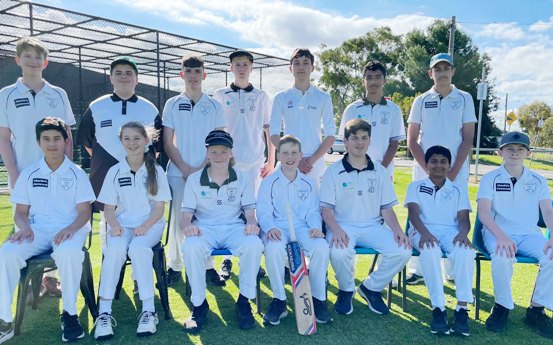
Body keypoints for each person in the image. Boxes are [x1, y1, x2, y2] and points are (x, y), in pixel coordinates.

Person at [0, 117, 95, 344]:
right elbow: (21, 212)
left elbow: (84, 212)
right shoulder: (30, 174)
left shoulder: (77, 173)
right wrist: (23, 228)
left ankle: (70, 315)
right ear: (38, 142)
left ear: (65, 141)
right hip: (37, 229)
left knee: (69, 252)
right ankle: (4, 320)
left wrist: (70, 229)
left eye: (56, 139)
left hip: (71, 228)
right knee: (7, 252)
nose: (51, 144)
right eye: (46, 139)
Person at [0, 36, 76, 297]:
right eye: (27, 56)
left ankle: (50, 281)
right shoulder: (6, 95)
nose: (33, 61)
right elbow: (3, 138)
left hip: (57, 175)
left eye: (38, 57)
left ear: (45, 62)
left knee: (58, 222)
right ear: (18, 60)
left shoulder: (58, 93)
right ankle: (28, 285)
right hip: (23, 176)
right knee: (26, 228)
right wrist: (13, 172)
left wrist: (68, 167)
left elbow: (67, 134)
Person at [320, 118, 411, 316]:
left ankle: (371, 288)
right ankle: (346, 290)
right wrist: (335, 229)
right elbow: (326, 209)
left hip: (372, 226)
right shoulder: (333, 171)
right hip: (343, 225)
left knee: (403, 250)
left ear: (369, 140)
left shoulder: (379, 170)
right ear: (345, 141)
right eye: (354, 138)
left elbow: (386, 208)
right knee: (339, 252)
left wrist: (397, 231)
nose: (359, 143)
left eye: (364, 138)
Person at [93, 121, 171, 340]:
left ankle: (148, 311)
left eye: (137, 138)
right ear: (121, 142)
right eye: (126, 138)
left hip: (150, 225)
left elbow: (159, 209)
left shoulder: (156, 171)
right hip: (122, 225)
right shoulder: (115, 171)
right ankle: (104, 314)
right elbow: (108, 209)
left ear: (146, 141)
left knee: (138, 250)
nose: (132, 143)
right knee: (115, 250)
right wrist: (115, 225)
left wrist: (144, 226)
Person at [181, 130, 263, 332]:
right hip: (204, 229)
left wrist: (251, 223)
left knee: (254, 243)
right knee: (191, 246)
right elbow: (185, 217)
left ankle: (244, 302)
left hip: (233, 227)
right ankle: (199, 306)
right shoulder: (194, 179)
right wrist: (188, 227)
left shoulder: (242, 177)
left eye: (223, 151)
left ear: (231, 153)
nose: (219, 156)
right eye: (214, 151)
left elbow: (249, 212)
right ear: (207, 153)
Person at [406, 53, 476, 284]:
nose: (442, 72)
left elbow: (467, 139)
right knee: (420, 214)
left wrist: (453, 170)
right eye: (437, 69)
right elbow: (412, 140)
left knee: (454, 216)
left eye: (446, 68)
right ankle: (417, 269)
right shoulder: (421, 100)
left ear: (453, 72)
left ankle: (454, 271)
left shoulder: (464, 98)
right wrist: (428, 170)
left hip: (455, 170)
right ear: (430, 73)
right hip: (425, 170)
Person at [477, 131, 553, 338]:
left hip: (529, 234)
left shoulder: (538, 180)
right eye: (509, 149)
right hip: (497, 232)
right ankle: (502, 306)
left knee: (551, 256)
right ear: (500, 151)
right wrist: (502, 237)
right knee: (503, 256)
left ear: (528, 153)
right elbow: (483, 213)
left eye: (520, 149)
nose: (515, 153)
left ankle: (537, 310)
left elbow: (547, 211)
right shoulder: (490, 178)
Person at [162, 55, 227, 287]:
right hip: (178, 173)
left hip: (207, 174)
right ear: (181, 74)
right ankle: (175, 266)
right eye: (188, 72)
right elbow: (168, 142)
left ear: (204, 74)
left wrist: (201, 169)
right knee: (179, 222)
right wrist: (185, 168)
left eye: (197, 71)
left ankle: (208, 266)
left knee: (206, 220)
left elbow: (219, 142)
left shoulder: (215, 106)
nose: (192, 76)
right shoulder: (172, 104)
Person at [213, 49, 275, 280]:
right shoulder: (220, 94)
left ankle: (254, 261)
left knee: (254, 213)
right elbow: (217, 130)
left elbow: (268, 129)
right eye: (237, 64)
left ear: (251, 68)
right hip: (228, 165)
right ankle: (227, 261)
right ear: (231, 67)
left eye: (245, 64)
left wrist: (271, 160)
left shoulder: (261, 96)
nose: (241, 67)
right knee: (229, 212)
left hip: (255, 164)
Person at [257, 135, 332, 326]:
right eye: (285, 153)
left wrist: (315, 227)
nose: (289, 156)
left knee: (321, 247)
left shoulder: (308, 183)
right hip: (277, 228)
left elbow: (313, 211)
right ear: (279, 156)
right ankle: (279, 300)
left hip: (302, 228)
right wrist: (270, 228)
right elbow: (264, 212)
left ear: (300, 155)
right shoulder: (269, 182)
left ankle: (317, 298)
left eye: (293, 152)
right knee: (273, 249)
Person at [405, 145, 474, 336]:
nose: (438, 165)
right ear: (426, 165)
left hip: (451, 231)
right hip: (422, 229)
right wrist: (425, 233)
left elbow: (463, 219)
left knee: (465, 252)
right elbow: (414, 214)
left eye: (443, 161)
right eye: (433, 161)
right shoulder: (415, 187)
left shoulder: (459, 189)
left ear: (449, 165)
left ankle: (462, 309)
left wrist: (463, 234)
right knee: (430, 250)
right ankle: (439, 308)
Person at [269, 48, 335, 185]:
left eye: (305, 62)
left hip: (314, 164)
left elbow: (330, 136)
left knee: (316, 205)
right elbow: (273, 133)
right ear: (290, 68)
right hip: (289, 162)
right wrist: (293, 159)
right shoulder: (281, 97)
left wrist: (310, 161)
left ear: (312, 67)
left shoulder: (323, 98)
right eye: (296, 63)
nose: (301, 67)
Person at [339, 61, 405, 176]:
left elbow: (394, 144)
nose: (373, 82)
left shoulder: (394, 109)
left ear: (385, 80)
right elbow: (347, 141)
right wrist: (357, 165)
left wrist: (380, 169)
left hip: (384, 171)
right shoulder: (352, 109)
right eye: (369, 78)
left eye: (378, 77)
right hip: (356, 170)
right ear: (363, 82)